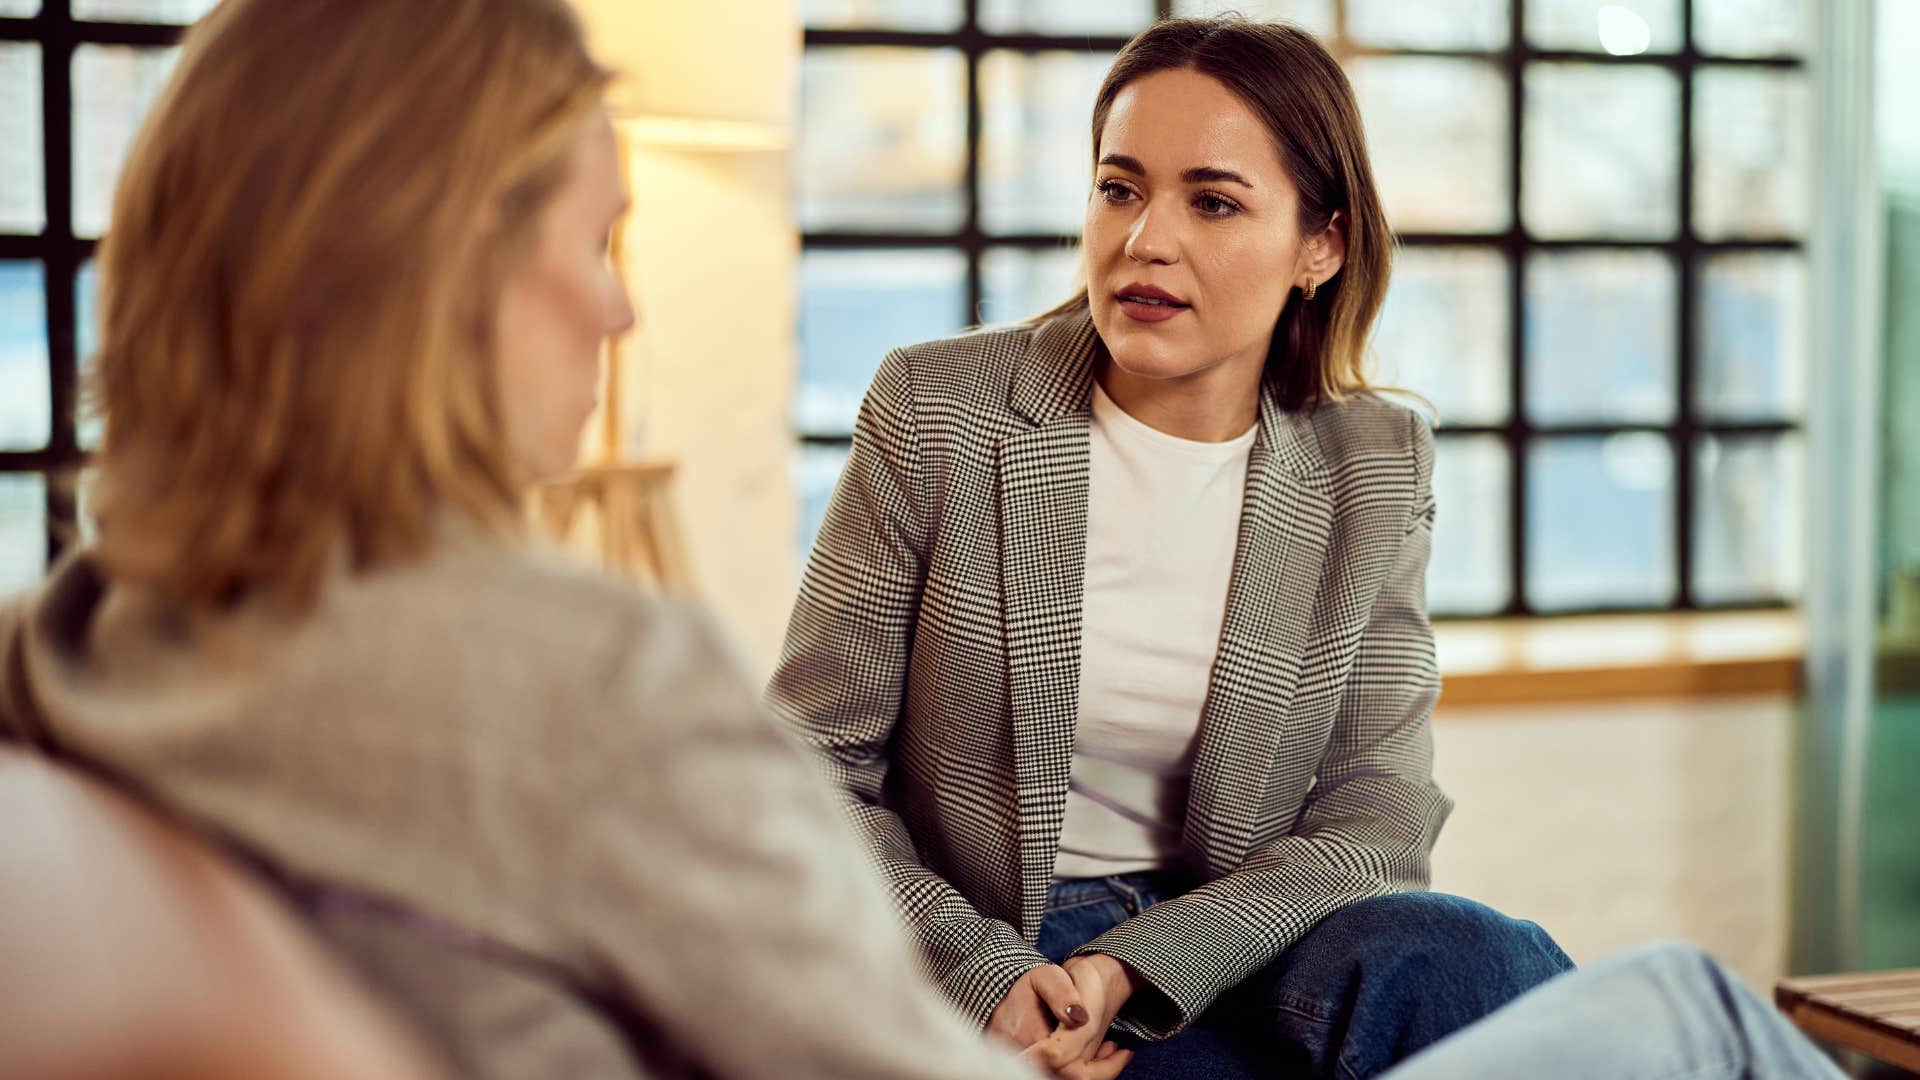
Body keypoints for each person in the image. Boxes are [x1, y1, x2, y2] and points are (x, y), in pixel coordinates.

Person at [0, 1, 1113, 1077]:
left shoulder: (61, 645)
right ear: (448, 270)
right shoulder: (601, 697)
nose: (620, 310)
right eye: (596, 240)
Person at [768, 16, 1574, 1078]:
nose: (1147, 238)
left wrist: (1138, 968)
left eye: (1214, 201)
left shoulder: (1374, 461)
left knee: (1477, 963)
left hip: (1242, 942)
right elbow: (807, 771)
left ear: (1320, 246)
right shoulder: (941, 410)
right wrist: (984, 976)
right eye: (1120, 187)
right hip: (999, 950)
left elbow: (1378, 812)